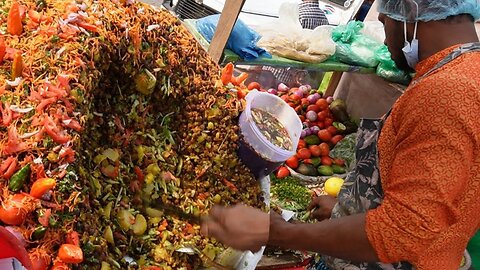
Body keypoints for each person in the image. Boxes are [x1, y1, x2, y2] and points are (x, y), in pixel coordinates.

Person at [201, 0, 480, 269]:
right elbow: (437, 193)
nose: (385, 41)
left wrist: (279, 232)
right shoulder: (467, 72)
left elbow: (403, 230)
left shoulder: (446, 93)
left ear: (409, 9)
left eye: (384, 22)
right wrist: (347, 208)